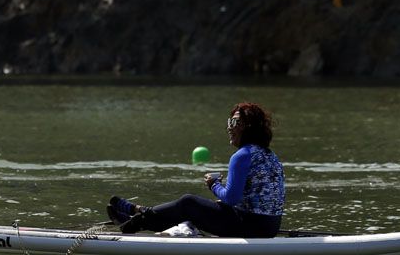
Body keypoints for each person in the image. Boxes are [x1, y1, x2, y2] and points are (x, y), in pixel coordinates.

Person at [107, 102, 285, 238]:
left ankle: (135, 221)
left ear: (248, 127)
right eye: (228, 121)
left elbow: (231, 198)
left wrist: (214, 184)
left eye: (234, 122)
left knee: (189, 203)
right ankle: (140, 214)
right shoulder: (271, 156)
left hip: (252, 227)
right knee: (204, 206)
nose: (229, 127)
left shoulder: (242, 155)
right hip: (270, 227)